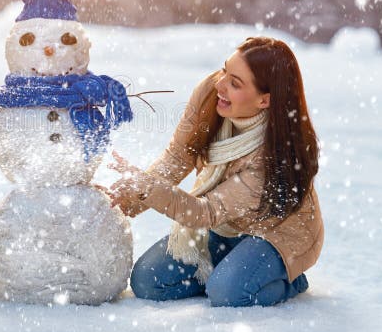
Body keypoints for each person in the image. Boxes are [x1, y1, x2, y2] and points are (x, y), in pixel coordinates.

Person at [108, 37, 323, 307]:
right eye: (225, 71)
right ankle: (228, 270)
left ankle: (287, 280)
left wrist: (146, 186)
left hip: (274, 235)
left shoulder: (271, 158)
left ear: (264, 100)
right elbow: (178, 156)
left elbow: (204, 212)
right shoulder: (212, 95)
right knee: (148, 281)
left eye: (235, 83)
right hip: (224, 226)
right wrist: (124, 201)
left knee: (228, 294)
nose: (220, 84)